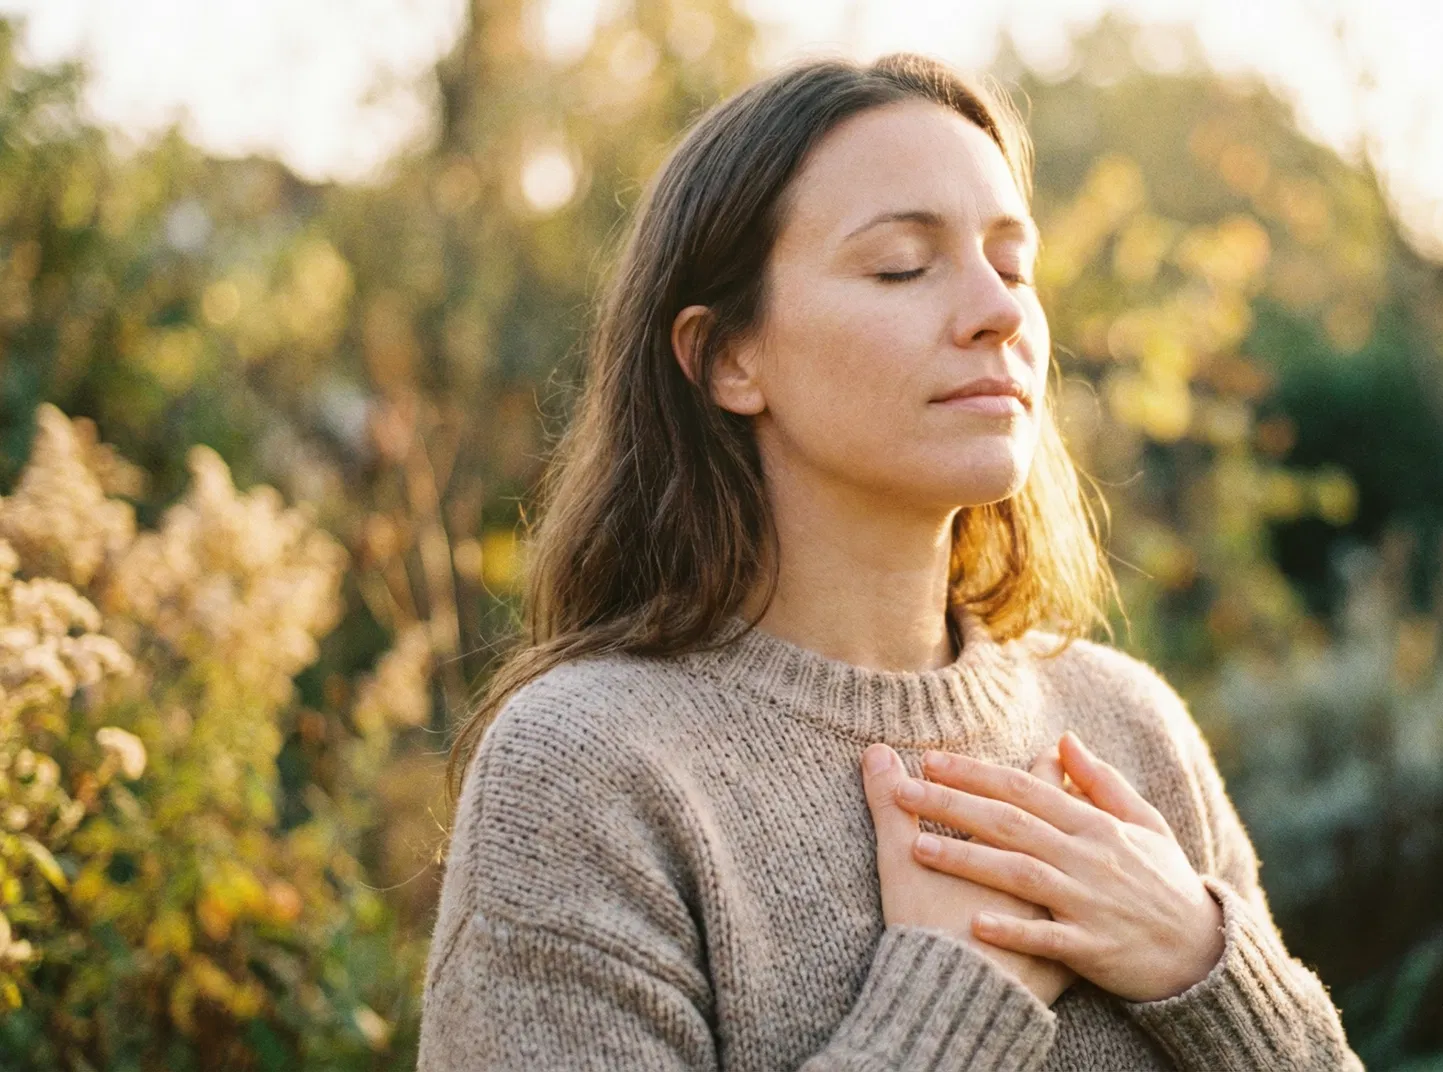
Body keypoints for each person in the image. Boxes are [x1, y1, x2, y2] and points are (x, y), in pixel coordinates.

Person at [416, 50, 1361, 1072]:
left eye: (1014, 265)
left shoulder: (1128, 729)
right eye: (903, 265)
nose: (998, 311)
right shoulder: (591, 769)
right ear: (729, 357)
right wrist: (952, 1004)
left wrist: (1201, 961)